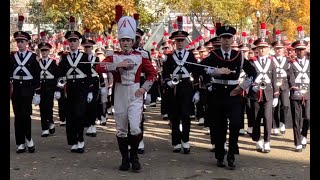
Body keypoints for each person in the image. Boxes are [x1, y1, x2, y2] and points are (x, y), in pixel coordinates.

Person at [96, 15, 157, 172]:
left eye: (128, 40)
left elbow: (152, 74)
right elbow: (99, 67)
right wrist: (116, 65)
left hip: (135, 91)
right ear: (119, 41)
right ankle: (125, 158)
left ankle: (134, 156)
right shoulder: (113, 55)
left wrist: (144, 89)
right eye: (122, 40)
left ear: (133, 41)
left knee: (135, 127)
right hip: (119, 91)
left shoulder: (140, 56)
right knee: (121, 129)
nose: (125, 43)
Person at [200, 25, 257, 168]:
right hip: (218, 93)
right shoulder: (213, 55)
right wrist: (216, 71)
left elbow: (252, 72)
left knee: (236, 124)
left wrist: (242, 87)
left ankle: (232, 154)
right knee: (219, 126)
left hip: (234, 93)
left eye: (229, 38)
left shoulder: (239, 56)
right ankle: (220, 155)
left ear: (233, 39)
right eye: (224, 38)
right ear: (220, 39)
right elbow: (200, 68)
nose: (226, 41)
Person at [54, 17, 93, 153]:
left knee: (79, 115)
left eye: (75, 41)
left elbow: (89, 75)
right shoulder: (65, 58)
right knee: (70, 116)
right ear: (68, 43)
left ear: (79, 42)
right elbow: (60, 75)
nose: (72, 43)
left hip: (82, 89)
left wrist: (90, 91)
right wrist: (58, 89)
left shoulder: (84, 57)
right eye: (70, 41)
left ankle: (80, 139)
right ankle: (73, 141)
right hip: (69, 89)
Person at [162, 16, 200, 154]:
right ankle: (176, 142)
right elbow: (164, 74)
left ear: (185, 42)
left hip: (186, 87)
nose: (180, 43)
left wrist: (196, 90)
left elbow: (196, 73)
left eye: (182, 41)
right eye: (177, 41)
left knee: (185, 115)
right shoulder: (169, 57)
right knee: (174, 116)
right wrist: (168, 83)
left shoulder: (190, 56)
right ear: (174, 42)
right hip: (174, 88)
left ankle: (186, 140)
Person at [10, 15, 41, 153]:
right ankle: (20, 142)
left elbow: (37, 74)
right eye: (18, 41)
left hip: (28, 89)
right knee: (17, 116)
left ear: (27, 42)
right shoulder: (12, 57)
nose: (20, 44)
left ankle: (28, 138)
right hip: (16, 89)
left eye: (22, 41)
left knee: (26, 115)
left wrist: (37, 92)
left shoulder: (33, 57)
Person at [248, 34, 279, 153]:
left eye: (264, 47)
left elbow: (274, 79)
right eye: (260, 47)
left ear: (267, 49)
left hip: (269, 94)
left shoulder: (272, 62)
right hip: (255, 94)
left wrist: (276, 95)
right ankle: (258, 140)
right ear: (256, 49)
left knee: (267, 117)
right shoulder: (252, 62)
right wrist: (252, 87)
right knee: (256, 118)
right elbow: (249, 77)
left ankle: (267, 141)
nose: (262, 50)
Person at [289, 38, 310, 152]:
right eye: (298, 50)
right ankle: (297, 142)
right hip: (296, 94)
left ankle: (303, 135)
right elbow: (290, 78)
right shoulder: (291, 64)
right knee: (296, 119)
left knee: (308, 117)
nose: (301, 52)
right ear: (295, 51)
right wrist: (294, 87)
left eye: (302, 49)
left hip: (308, 94)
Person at [38, 32, 59, 137]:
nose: (44, 52)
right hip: (41, 88)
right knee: (42, 108)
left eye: (46, 50)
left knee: (48, 107)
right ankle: (44, 128)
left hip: (50, 87)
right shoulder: (38, 63)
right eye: (42, 50)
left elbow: (56, 77)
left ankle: (50, 121)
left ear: (49, 51)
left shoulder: (53, 62)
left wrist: (57, 90)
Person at [271, 33, 292, 136]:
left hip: (284, 86)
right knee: (274, 106)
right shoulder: (271, 60)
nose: (278, 50)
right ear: (274, 49)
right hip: (273, 86)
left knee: (285, 105)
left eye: (280, 48)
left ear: (284, 49)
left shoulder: (288, 61)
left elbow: (290, 74)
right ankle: (274, 126)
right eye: (276, 48)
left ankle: (282, 122)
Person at [81, 37, 101, 137]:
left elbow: (99, 72)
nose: (87, 49)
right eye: (85, 47)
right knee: (85, 104)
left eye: (89, 47)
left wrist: (103, 85)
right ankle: (88, 124)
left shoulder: (96, 59)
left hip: (93, 82)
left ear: (92, 47)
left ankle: (93, 125)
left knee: (92, 104)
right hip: (84, 82)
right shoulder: (80, 58)